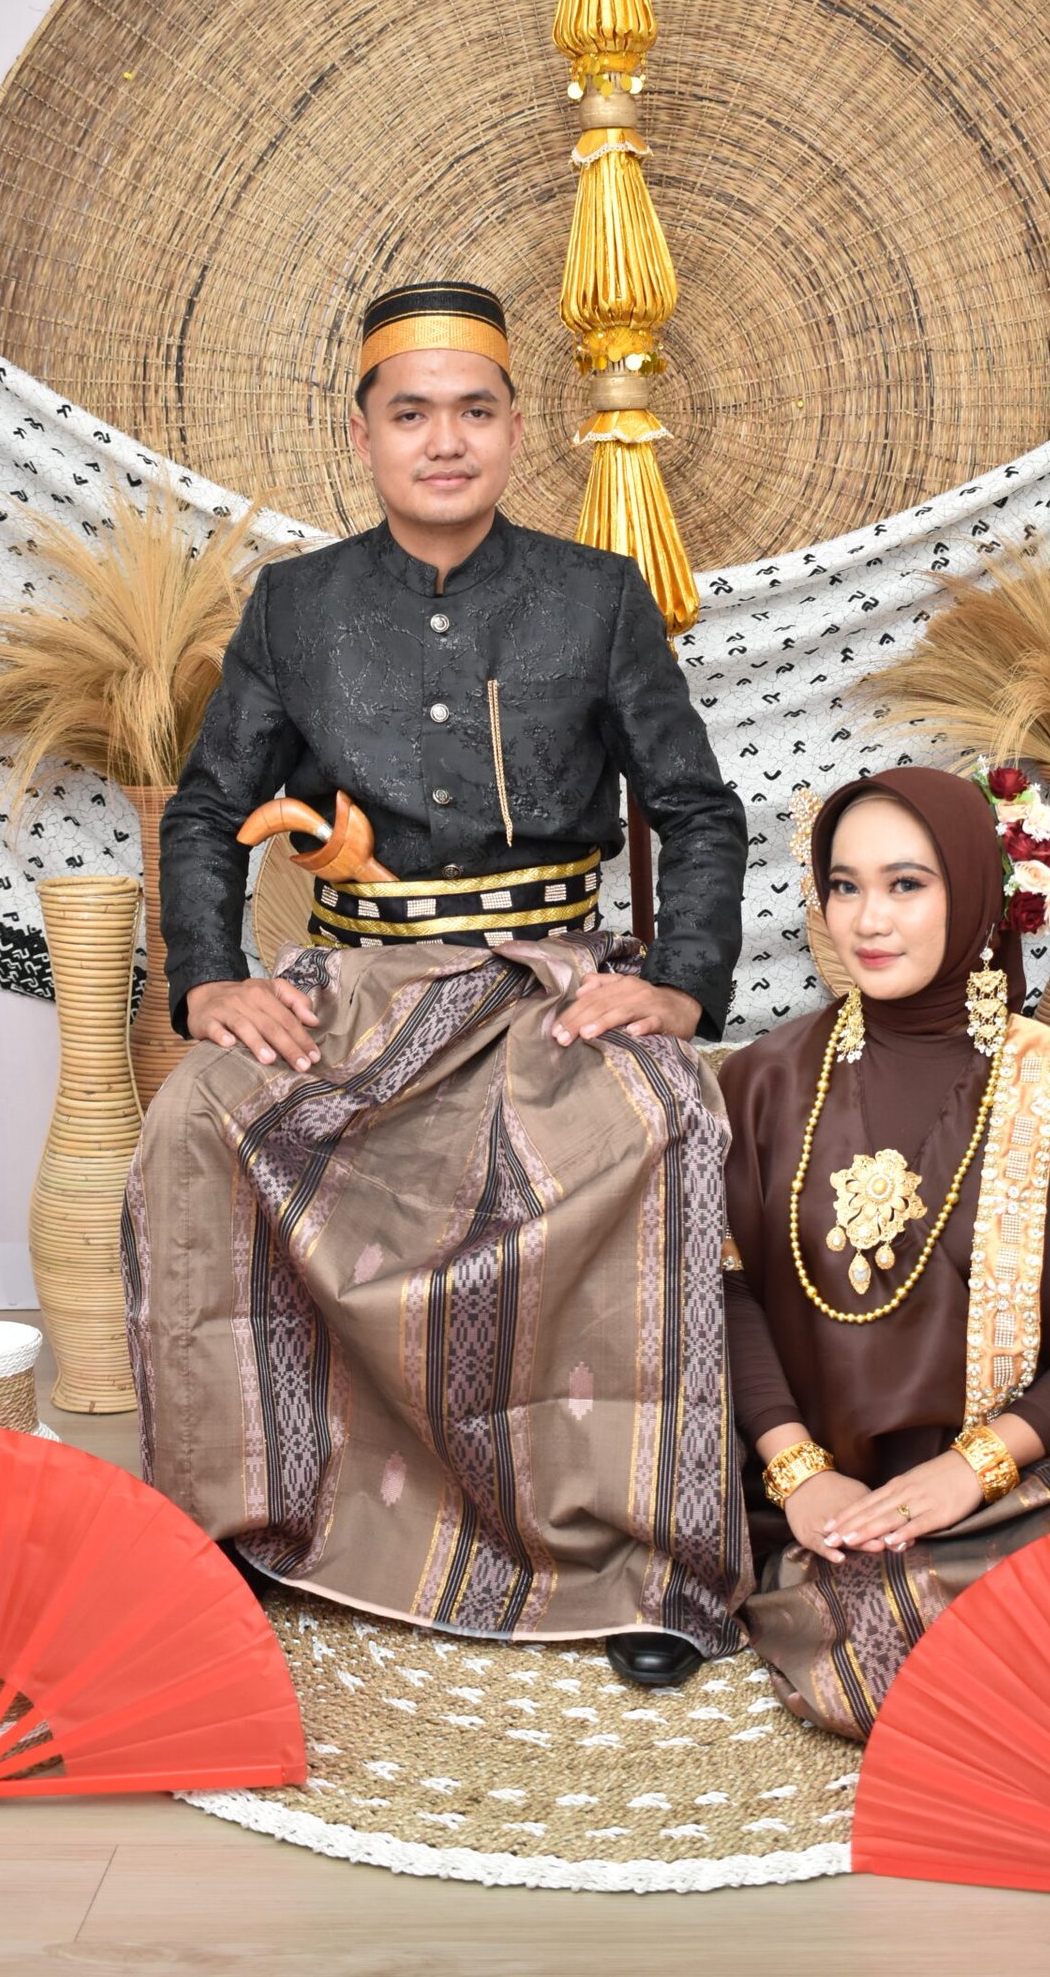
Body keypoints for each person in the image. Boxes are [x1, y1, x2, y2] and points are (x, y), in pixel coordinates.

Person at [125, 282, 750, 1687]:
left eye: (474, 411)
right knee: (194, 1121)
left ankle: (635, 1560)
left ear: (518, 430)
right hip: (357, 985)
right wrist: (210, 978)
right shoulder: (296, 606)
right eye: (412, 414)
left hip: (545, 983)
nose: (445, 441)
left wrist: (680, 986)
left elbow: (695, 808)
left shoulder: (596, 597)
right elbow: (207, 806)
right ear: (364, 437)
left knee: (664, 1124)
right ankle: (248, 1522)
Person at [719, 765, 1050, 1740]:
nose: (867, 920)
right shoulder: (765, 1082)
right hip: (814, 1493)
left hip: (1014, 1478)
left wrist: (973, 1470)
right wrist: (797, 1471)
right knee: (886, 1644)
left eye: (905, 884)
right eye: (844, 885)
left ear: (977, 892)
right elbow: (721, 1300)